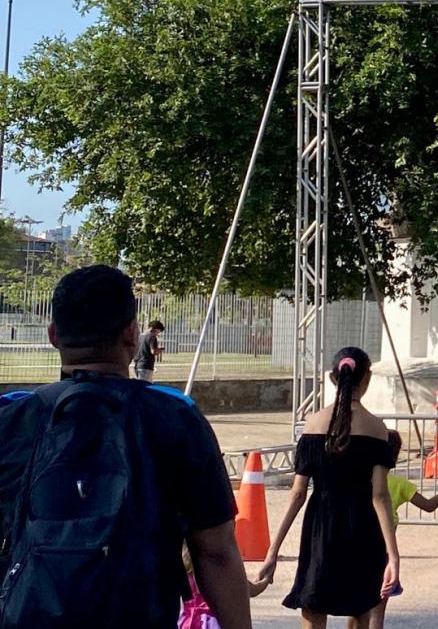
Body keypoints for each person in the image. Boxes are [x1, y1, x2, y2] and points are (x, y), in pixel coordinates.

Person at [0, 265, 251, 629]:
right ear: (132, 335)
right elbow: (215, 551)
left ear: (53, 335)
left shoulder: (13, 417)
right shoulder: (175, 416)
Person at [259, 348, 400, 629]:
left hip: (320, 525)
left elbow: (298, 493)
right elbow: (380, 496)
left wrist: (272, 551)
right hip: (363, 526)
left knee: (314, 604)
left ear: (334, 378)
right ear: (367, 377)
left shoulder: (313, 424)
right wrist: (393, 556)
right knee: (361, 605)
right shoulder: (377, 428)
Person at [375, 431, 438, 629]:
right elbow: (429, 506)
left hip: (359, 546)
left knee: (358, 610)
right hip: (384, 553)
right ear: (396, 454)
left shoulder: (363, 480)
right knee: (377, 612)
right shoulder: (400, 485)